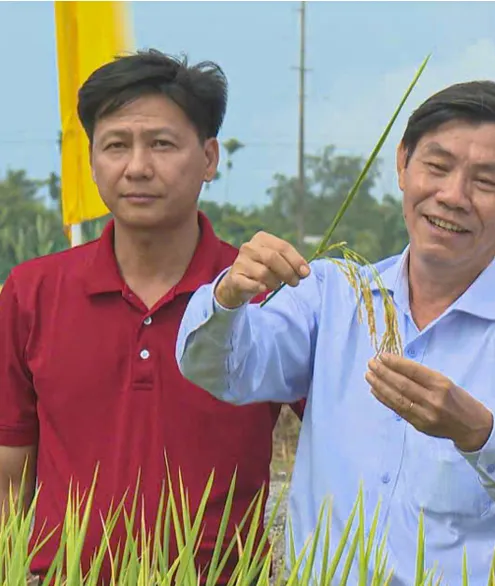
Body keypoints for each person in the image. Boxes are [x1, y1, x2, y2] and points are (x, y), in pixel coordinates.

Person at [174, 80, 495, 584]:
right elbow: (220, 370)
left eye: (486, 182)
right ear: (403, 164)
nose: (453, 196)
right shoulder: (330, 294)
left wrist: (477, 433)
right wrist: (229, 296)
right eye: (437, 166)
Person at [0, 49, 302, 583]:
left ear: (209, 158)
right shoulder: (32, 292)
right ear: (91, 160)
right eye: (116, 145)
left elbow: (352, 443)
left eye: (162, 144)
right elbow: (10, 474)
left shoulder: (264, 294)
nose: (137, 167)